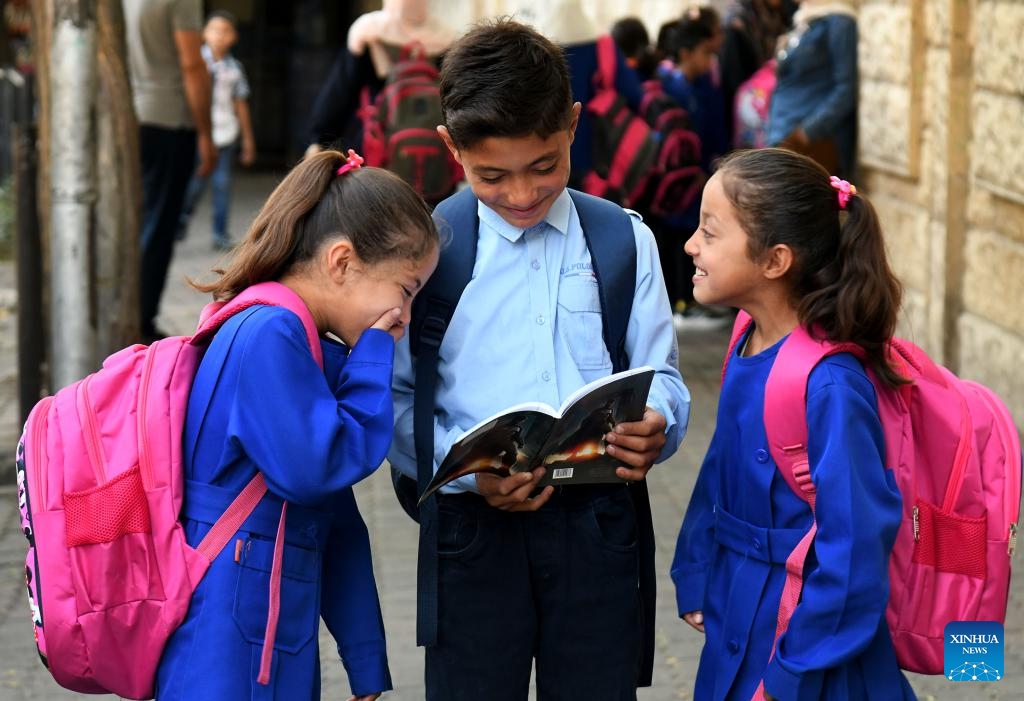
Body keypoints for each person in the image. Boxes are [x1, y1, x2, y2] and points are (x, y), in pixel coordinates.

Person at [388, 18, 690, 701]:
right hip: (474, 532)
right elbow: (397, 402)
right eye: (492, 175)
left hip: (598, 526)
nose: (521, 195)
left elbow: (663, 375)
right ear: (451, 147)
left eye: (545, 166)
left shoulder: (623, 241)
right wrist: (467, 477)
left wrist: (659, 423)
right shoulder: (425, 252)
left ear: (574, 126)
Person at [154, 150, 440, 700]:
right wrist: (374, 356)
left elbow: (335, 519)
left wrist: (365, 661)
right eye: (405, 290)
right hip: (226, 640)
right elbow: (320, 470)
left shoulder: (297, 339)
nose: (405, 315)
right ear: (341, 262)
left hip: (260, 631)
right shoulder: (270, 335)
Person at [671, 148, 916, 700]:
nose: (691, 245)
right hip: (738, 605)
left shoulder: (831, 387)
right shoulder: (745, 334)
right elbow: (720, 467)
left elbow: (853, 550)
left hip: (808, 644)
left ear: (775, 260)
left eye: (710, 233)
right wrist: (695, 566)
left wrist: (790, 675)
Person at [123, 0, 217, 344]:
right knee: (158, 225)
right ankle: (141, 322)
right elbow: (192, 64)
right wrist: (206, 132)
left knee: (133, 223)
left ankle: (127, 313)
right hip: (168, 118)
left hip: (128, 116)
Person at [657, 8, 732, 330]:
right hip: (679, 182)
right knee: (677, 240)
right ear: (685, 52)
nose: (710, 61)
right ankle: (681, 303)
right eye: (705, 54)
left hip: (699, 178)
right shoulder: (671, 89)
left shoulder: (702, 87)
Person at [304, 0, 453, 157]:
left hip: (378, 145)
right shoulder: (443, 37)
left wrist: (320, 140)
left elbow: (340, 93)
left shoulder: (369, 31)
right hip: (432, 147)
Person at [177, 10, 256, 251]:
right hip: (200, 132)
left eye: (225, 31)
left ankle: (219, 233)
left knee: (222, 185)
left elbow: (240, 104)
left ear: (234, 37)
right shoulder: (193, 63)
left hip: (225, 134)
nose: (220, 36)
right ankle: (180, 221)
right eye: (214, 30)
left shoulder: (235, 69)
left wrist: (248, 140)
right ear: (203, 34)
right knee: (194, 184)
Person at [766, 0, 858, 179]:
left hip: (811, 144)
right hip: (785, 134)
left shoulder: (839, 22)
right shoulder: (806, 18)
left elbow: (846, 88)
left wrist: (807, 132)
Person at [718, 0, 788, 145]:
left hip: (767, 106)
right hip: (745, 112)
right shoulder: (736, 23)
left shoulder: (776, 13)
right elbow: (733, 80)